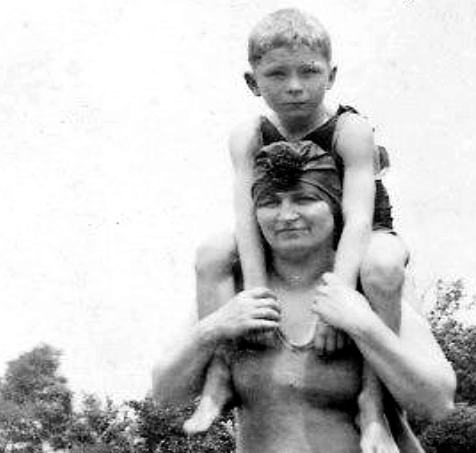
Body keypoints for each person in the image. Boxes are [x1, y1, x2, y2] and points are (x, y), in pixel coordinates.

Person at [183, 8, 413, 452]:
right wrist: (257, 299)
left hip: (363, 231)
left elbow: (359, 218)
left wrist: (336, 301)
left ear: (331, 75)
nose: (294, 86)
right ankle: (220, 375)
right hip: (291, 232)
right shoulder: (248, 135)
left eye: (309, 72)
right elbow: (246, 217)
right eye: (277, 74)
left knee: (382, 268)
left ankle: (373, 406)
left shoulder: (350, 129)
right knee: (212, 251)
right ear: (252, 82)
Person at [152, 141, 456, 453]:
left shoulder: (369, 285)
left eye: (304, 199)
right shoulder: (237, 293)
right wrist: (213, 328)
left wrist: (365, 326)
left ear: (335, 206)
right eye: (270, 202)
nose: (286, 215)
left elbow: (438, 404)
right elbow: (165, 394)